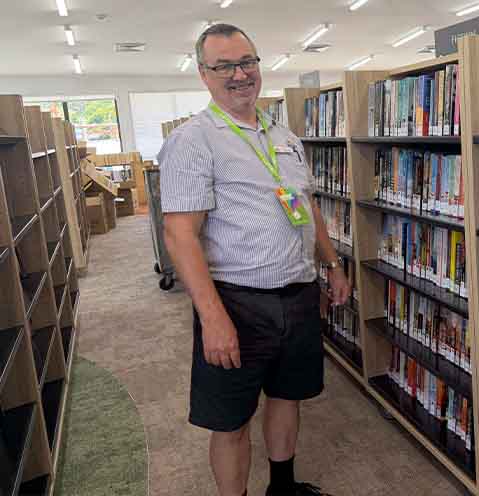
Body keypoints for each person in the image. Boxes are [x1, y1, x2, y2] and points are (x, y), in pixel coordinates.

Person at [158, 23, 350, 496]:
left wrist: (332, 263)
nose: (239, 74)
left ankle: (281, 487)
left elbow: (305, 209)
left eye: (247, 62)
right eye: (224, 66)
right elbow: (179, 235)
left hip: (299, 294)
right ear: (204, 74)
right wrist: (213, 317)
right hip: (236, 302)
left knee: (288, 397)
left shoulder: (284, 136)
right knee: (230, 421)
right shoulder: (193, 141)